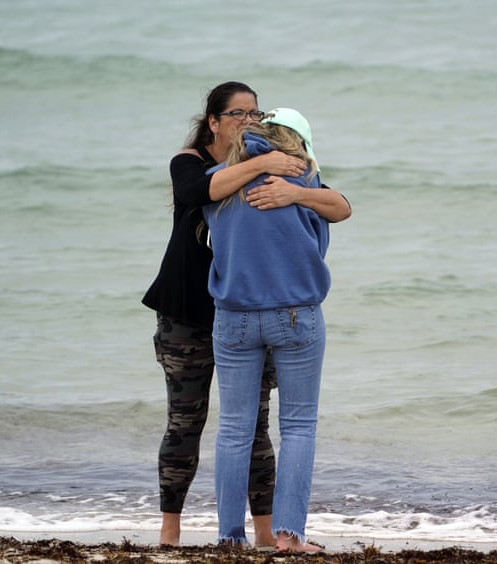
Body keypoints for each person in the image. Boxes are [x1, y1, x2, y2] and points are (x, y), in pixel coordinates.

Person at [142, 83, 351, 547]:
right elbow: (200, 190)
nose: (247, 120)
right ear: (213, 121)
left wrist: (290, 189)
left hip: (231, 315)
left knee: (244, 428)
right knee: (212, 423)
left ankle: (238, 536)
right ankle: (270, 534)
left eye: (254, 113)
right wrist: (275, 171)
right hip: (203, 313)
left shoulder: (264, 179)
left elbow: (341, 205)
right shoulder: (200, 167)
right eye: (237, 113)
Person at [204, 109, 334, 553]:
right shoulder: (302, 179)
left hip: (234, 316)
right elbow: (341, 209)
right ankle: (289, 537)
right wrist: (299, 192)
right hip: (296, 313)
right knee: (297, 426)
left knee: (234, 429)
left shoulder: (218, 182)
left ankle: (229, 538)